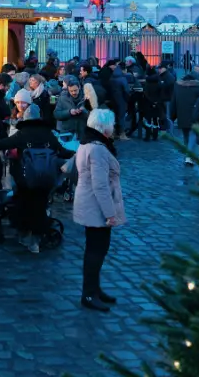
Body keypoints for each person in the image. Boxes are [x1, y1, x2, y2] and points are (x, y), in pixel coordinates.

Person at [0, 105, 72, 253]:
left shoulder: (22, 134)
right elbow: (62, 152)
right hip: (45, 178)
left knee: (24, 205)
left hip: (25, 179)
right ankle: (36, 239)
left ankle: (25, 234)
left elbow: (0, 144)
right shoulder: (48, 134)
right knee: (40, 206)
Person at [73, 109, 124, 312]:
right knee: (96, 251)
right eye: (111, 124)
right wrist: (110, 213)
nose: (114, 127)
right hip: (96, 207)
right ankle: (88, 293)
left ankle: (95, 289)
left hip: (90, 204)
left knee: (96, 250)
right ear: (103, 127)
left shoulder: (89, 143)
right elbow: (100, 185)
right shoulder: (98, 149)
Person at [171, 70, 199, 166]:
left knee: (186, 136)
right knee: (192, 135)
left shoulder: (178, 87)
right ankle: (189, 156)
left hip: (181, 115)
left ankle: (188, 155)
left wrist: (172, 116)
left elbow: (173, 102)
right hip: (195, 115)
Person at [54, 77, 89, 142]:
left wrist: (84, 111)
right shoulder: (62, 98)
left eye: (75, 90)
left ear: (79, 88)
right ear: (68, 90)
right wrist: (69, 112)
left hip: (83, 131)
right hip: (67, 132)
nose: (73, 93)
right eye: (71, 91)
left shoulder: (86, 98)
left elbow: (93, 115)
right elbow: (56, 114)